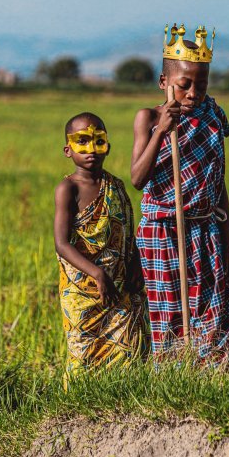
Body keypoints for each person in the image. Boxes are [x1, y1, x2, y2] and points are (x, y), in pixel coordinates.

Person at [131, 24, 229, 362]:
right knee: (167, 315)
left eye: (202, 84)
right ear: (163, 83)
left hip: (206, 230)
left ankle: (214, 382)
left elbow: (218, 184)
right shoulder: (148, 117)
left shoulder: (211, 116)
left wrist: (228, 246)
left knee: (214, 313)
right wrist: (162, 131)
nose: (194, 92)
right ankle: (170, 383)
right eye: (184, 85)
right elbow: (138, 178)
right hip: (163, 233)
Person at [54, 112, 149, 379]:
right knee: (84, 355)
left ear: (107, 145)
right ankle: (78, 410)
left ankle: (124, 405)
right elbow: (61, 244)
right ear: (68, 150)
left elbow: (127, 234)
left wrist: (135, 265)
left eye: (98, 141)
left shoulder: (115, 186)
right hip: (83, 289)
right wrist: (97, 274)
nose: (91, 149)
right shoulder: (67, 189)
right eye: (81, 141)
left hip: (118, 286)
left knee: (128, 350)